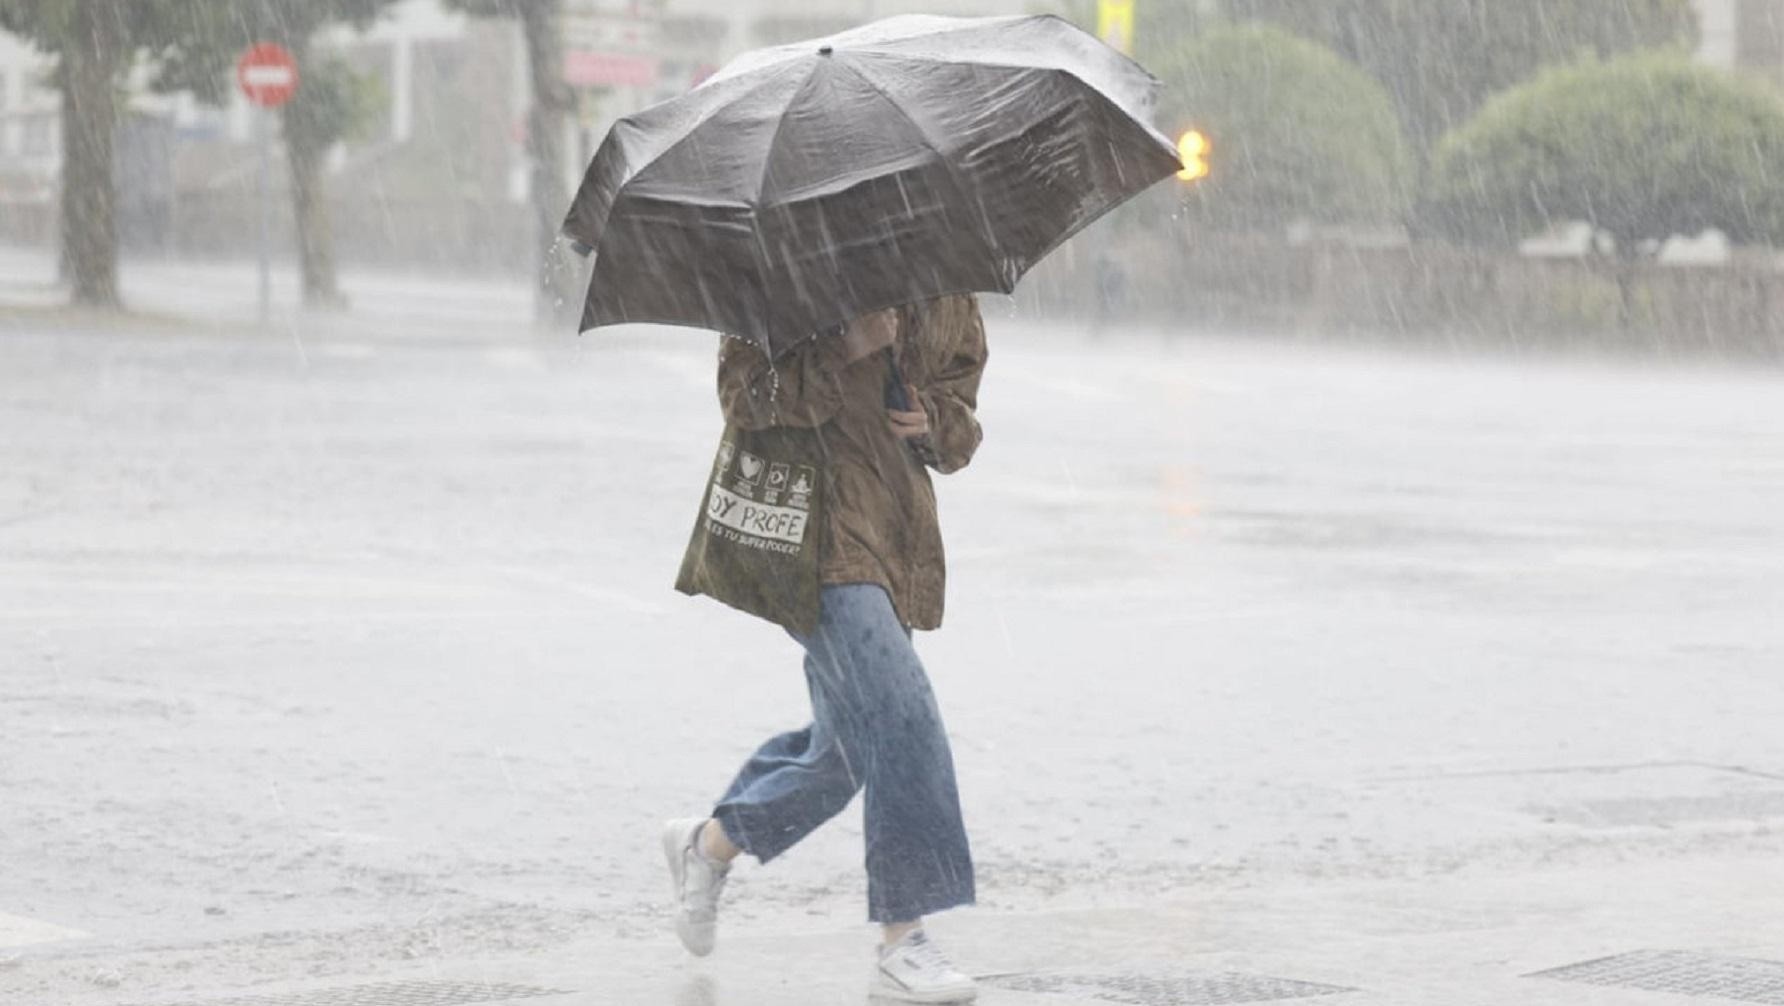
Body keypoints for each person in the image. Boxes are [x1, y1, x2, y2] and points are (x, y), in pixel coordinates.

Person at [663, 295, 989, 1003]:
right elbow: (744, 396)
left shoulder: (944, 283)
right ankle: (905, 938)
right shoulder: (784, 270)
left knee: (847, 753)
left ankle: (710, 844)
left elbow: (962, 416)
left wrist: (935, 421)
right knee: (904, 716)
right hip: (813, 538)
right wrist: (846, 346)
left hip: (895, 536)